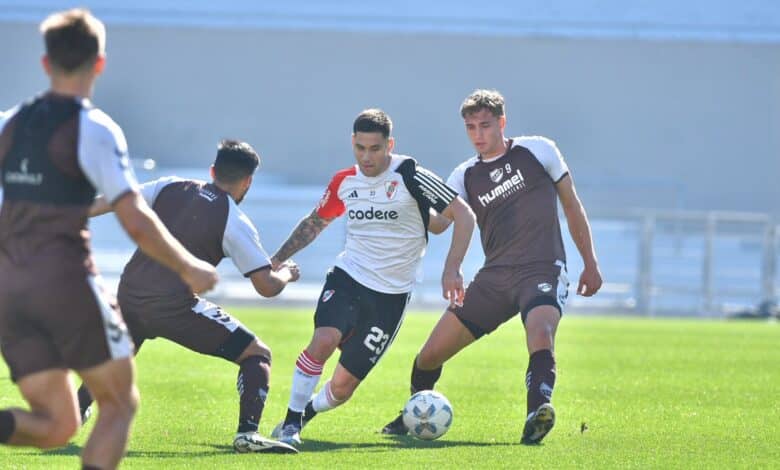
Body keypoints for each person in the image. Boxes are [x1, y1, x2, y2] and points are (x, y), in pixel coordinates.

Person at [0, 9, 218, 470]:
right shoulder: (94, 129)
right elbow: (135, 218)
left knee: (59, 425)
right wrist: (189, 267)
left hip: (10, 293)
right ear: (99, 63)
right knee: (119, 404)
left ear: (45, 63)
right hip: (64, 286)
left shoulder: (10, 123)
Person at [381, 89, 603, 444]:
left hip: (542, 269)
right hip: (495, 278)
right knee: (428, 356)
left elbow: (572, 206)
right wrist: (411, 200)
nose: (478, 134)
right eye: (471, 127)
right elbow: (440, 223)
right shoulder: (464, 174)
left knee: (541, 333)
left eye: (485, 125)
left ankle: (537, 413)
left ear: (502, 122)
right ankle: (414, 414)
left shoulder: (539, 150)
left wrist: (590, 263)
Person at [76, 140, 301, 454]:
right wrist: (288, 273)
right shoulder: (234, 220)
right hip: (172, 305)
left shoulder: (171, 185)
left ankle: (75, 409)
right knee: (256, 354)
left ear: (212, 170)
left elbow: (115, 200)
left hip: (130, 292)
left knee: (122, 350)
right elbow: (266, 286)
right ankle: (248, 434)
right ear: (248, 181)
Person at [268, 108, 475, 447]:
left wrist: (452, 267)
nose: (367, 157)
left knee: (341, 389)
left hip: (390, 297)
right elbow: (314, 223)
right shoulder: (344, 182)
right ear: (353, 142)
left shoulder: (409, 173)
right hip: (349, 277)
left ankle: (305, 414)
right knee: (323, 340)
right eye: (360, 148)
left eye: (375, 148)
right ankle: (291, 424)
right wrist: (276, 259)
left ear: (389, 145)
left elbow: (462, 216)